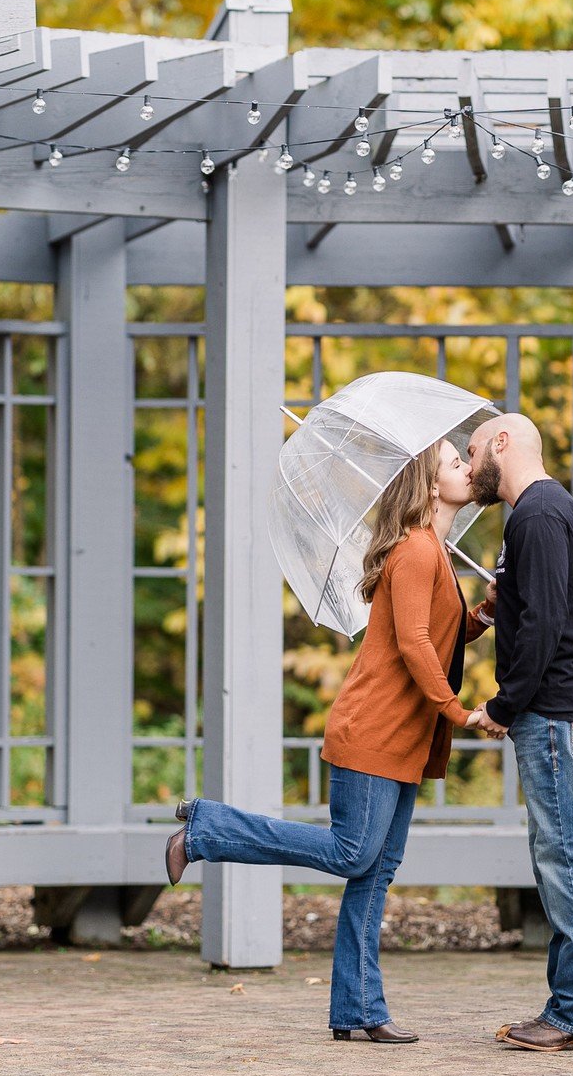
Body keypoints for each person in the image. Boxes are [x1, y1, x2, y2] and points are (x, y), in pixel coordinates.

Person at [164, 438, 491, 1043]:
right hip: (373, 730)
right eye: (454, 463)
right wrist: (459, 712)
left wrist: (485, 613)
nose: (468, 470)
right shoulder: (418, 550)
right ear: (426, 483)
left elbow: (439, 635)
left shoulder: (436, 552)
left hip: (403, 738)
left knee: (376, 869)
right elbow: (417, 646)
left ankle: (357, 1011)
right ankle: (206, 830)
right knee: (353, 854)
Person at [465, 413, 573, 1052]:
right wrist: (501, 603)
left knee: (564, 859)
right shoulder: (545, 514)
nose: (469, 467)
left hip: (554, 712)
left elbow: (549, 624)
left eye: (472, 452)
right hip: (565, 709)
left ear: (503, 443)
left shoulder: (535, 514)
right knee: (562, 855)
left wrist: (504, 706)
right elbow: (545, 605)